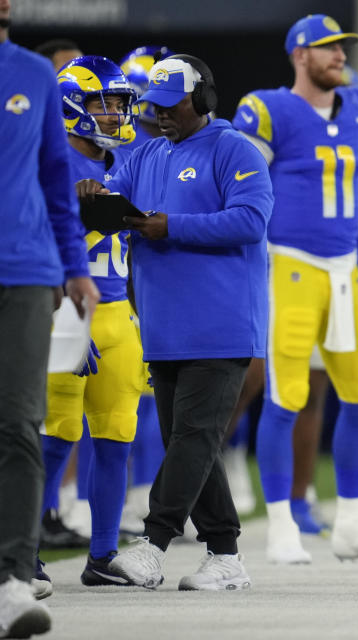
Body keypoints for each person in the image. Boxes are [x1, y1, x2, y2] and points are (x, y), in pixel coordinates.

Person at [76, 53, 273, 591]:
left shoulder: (235, 149)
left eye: (173, 106)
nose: (161, 115)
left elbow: (252, 220)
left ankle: (153, 544)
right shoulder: (147, 154)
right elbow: (115, 192)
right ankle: (227, 556)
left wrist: (172, 226)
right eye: (155, 106)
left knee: (192, 437)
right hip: (162, 327)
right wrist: (94, 193)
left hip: (221, 323)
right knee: (191, 442)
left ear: (203, 99)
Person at [232, 14, 358, 564]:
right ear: (299, 55)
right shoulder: (267, 109)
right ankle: (282, 523)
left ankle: (352, 521)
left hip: (344, 270)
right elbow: (240, 186)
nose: (340, 56)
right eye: (327, 48)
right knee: (286, 397)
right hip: (288, 264)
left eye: (343, 48)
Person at [0, 0, 99, 633]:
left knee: (18, 424)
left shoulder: (34, 73)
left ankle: (12, 581)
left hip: (27, 271)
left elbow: (55, 179)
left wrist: (75, 265)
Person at [40, 55, 148, 589]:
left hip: (117, 314)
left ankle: (102, 555)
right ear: (71, 107)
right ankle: (23, 554)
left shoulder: (127, 161)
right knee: (53, 436)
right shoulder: (50, 162)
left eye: (119, 103)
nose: (112, 115)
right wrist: (63, 314)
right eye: (101, 103)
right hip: (64, 309)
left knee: (115, 438)